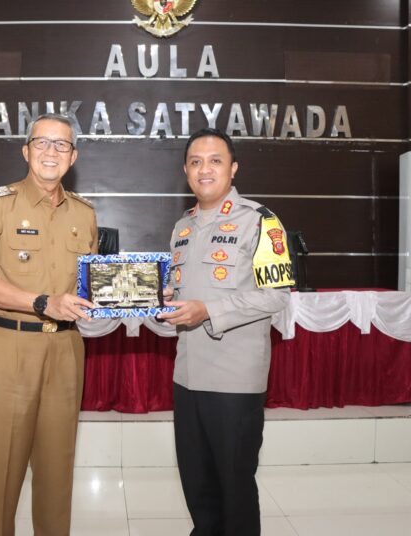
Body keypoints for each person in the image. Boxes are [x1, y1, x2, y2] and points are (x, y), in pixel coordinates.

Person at [0, 113, 97, 536]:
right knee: (3, 472)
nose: (51, 152)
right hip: (9, 347)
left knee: (57, 473)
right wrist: (43, 302)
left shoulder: (84, 213)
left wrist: (122, 297)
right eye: (42, 143)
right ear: (26, 150)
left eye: (61, 145)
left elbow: (89, 284)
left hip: (66, 352)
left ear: (72, 156)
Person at [158, 128, 293, 536]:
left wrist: (207, 310)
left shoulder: (262, 222)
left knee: (234, 489)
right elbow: (183, 295)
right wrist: (162, 299)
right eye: (196, 161)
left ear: (233, 169)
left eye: (215, 160)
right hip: (188, 375)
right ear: (186, 170)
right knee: (197, 488)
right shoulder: (182, 228)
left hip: (235, 379)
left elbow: (277, 296)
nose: (205, 169)